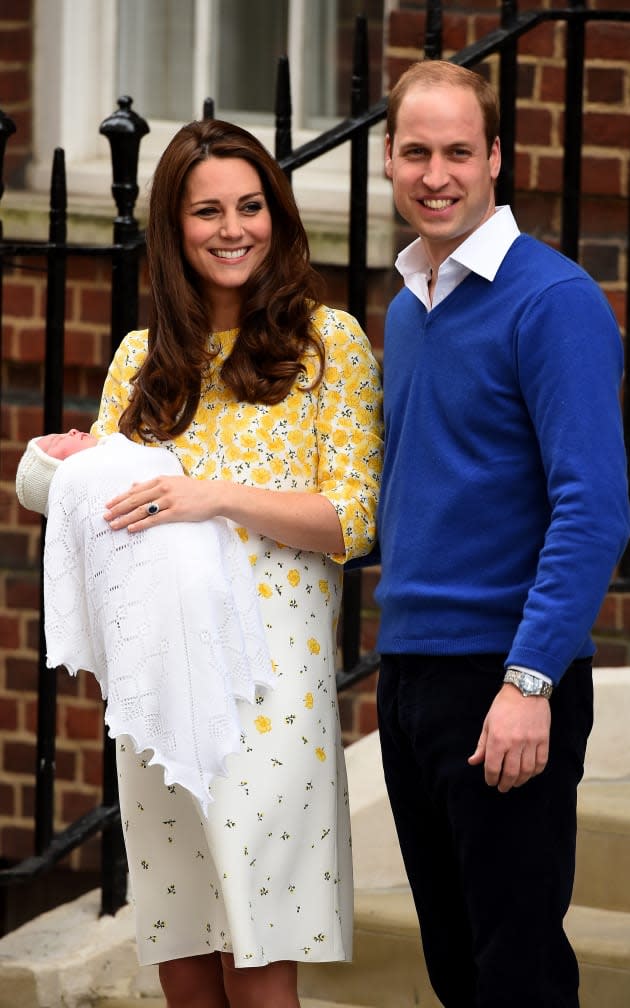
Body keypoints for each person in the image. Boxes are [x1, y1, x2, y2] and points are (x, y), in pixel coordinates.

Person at [87, 119, 383, 1008]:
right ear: (173, 229)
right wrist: (67, 465)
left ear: (278, 216)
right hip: (162, 691)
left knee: (258, 961)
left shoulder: (329, 347)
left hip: (273, 695)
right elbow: (99, 507)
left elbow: (352, 520)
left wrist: (211, 493)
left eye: (251, 207)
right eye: (207, 210)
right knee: (184, 956)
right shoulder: (143, 361)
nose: (232, 229)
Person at [375, 59, 629, 1008]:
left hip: (505, 681)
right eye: (414, 152)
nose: (434, 174)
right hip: (410, 678)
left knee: (516, 975)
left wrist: (530, 682)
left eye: (455, 152)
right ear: (388, 160)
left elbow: (594, 508)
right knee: (456, 970)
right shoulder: (409, 308)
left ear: (495, 160)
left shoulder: (552, 301)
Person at [15, 429, 276, 814]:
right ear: (58, 471)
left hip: (206, 576)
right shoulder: (82, 478)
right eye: (54, 444)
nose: (70, 430)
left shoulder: (120, 445)